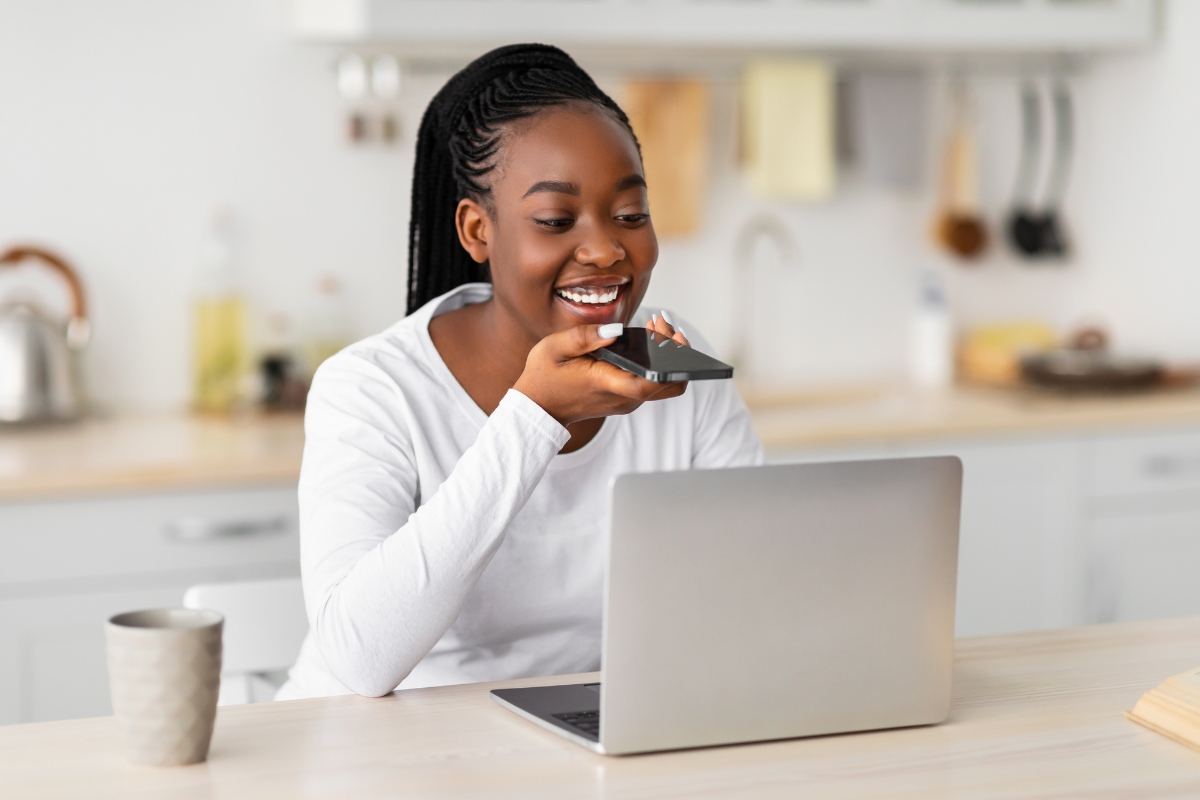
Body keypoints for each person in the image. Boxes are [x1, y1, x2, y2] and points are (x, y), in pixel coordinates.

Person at [278, 44, 762, 700]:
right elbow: (360, 659)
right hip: (381, 752)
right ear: (478, 230)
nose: (604, 249)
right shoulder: (372, 389)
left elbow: (759, 590)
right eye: (556, 221)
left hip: (581, 740)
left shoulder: (675, 367)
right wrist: (534, 416)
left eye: (630, 215)